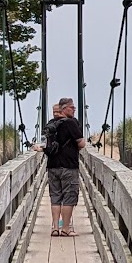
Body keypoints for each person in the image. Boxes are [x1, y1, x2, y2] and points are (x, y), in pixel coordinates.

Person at [43, 96, 84, 236]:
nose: (74, 110)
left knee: (55, 197)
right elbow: (82, 143)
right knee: (69, 197)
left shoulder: (51, 124)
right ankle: (65, 229)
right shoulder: (71, 123)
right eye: (72, 107)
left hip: (52, 166)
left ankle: (55, 228)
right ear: (64, 108)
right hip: (69, 166)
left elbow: (46, 145)